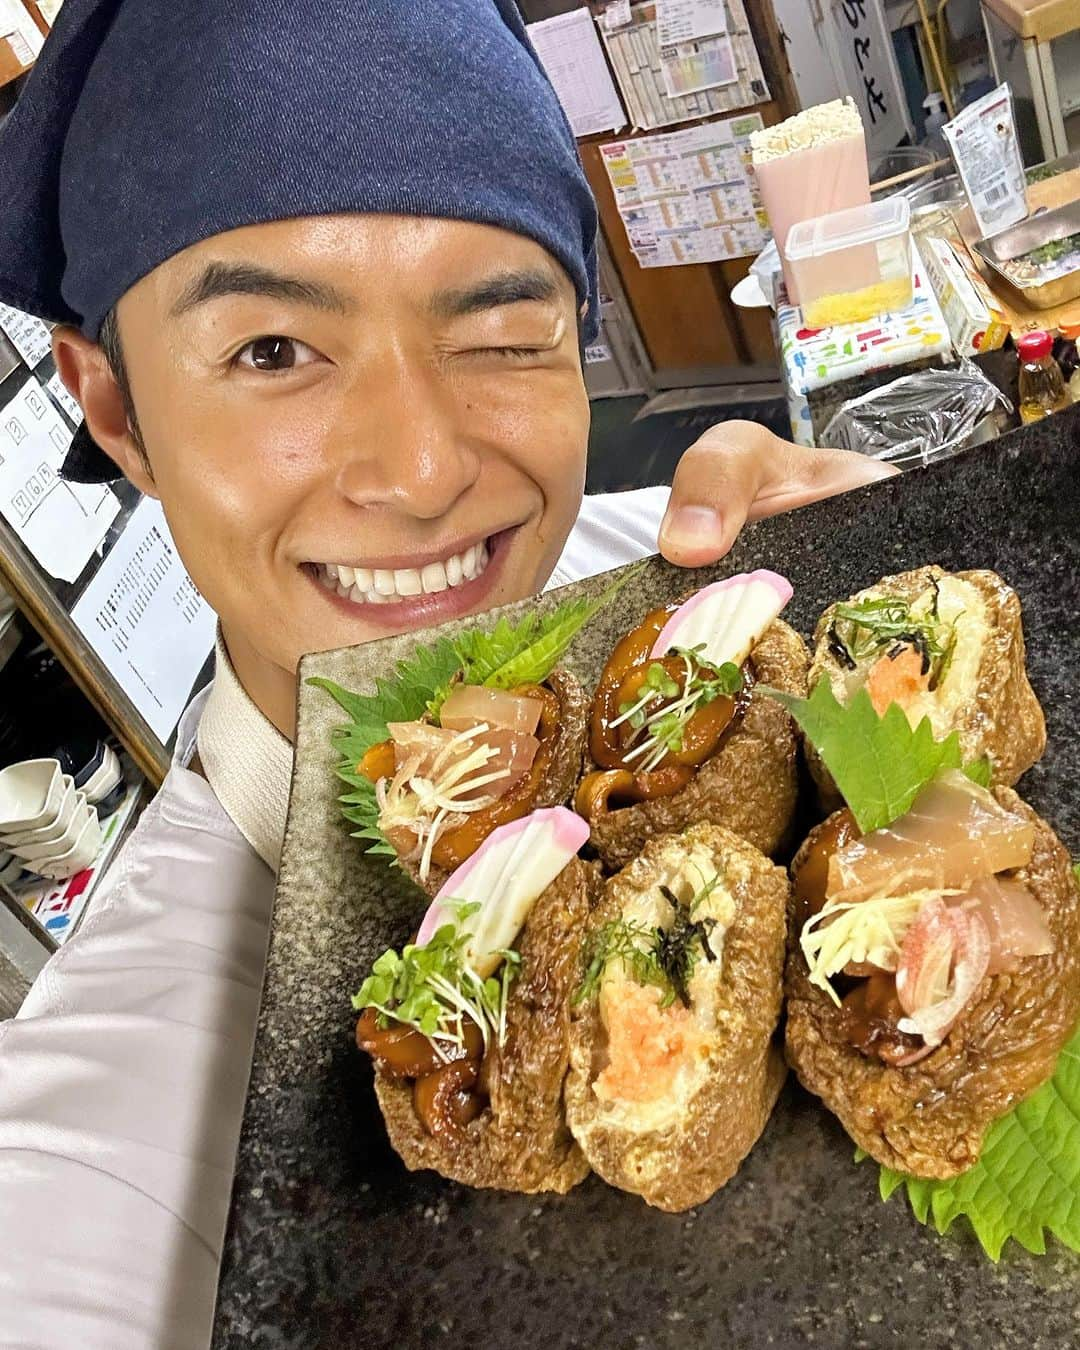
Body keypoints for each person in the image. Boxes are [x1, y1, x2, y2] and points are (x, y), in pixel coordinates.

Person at [0, 2, 894, 1345]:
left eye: (499, 328)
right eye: (272, 352)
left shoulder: (672, 579)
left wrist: (879, 602)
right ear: (111, 405)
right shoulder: (90, 1164)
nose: (422, 471)